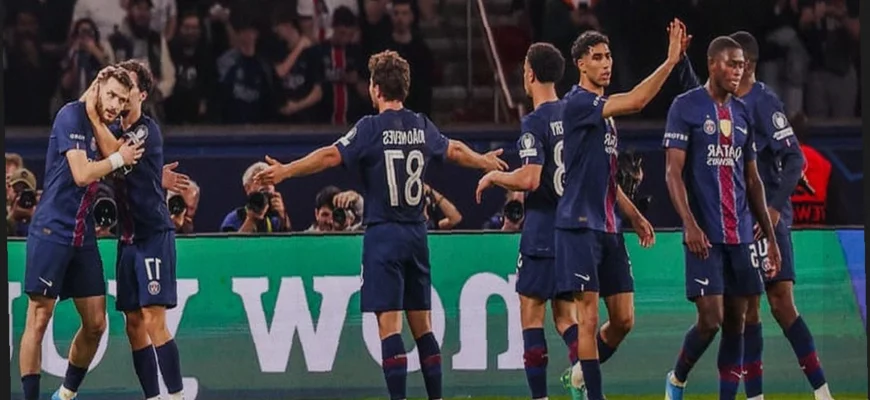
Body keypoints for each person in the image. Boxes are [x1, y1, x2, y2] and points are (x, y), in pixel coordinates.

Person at [255, 50, 507, 400]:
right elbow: (454, 150)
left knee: (390, 328)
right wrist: (483, 161)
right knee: (423, 327)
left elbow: (330, 155)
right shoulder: (420, 124)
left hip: (384, 234)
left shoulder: (370, 128)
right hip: (417, 233)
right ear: (405, 87)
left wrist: (286, 171)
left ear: (375, 88)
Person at [554, 22, 679, 399]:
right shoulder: (579, 102)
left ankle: (578, 374)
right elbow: (637, 101)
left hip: (608, 226)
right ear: (580, 64)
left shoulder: (605, 117)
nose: (606, 63)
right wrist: (670, 62)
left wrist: (634, 216)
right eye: (597, 58)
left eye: (608, 56)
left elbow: (606, 178)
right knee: (589, 318)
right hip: (578, 225)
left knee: (623, 319)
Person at [661, 36, 782, 400]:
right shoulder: (685, 107)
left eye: (742, 65)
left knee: (736, 322)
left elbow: (753, 180)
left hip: (741, 235)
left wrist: (771, 238)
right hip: (705, 235)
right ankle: (677, 377)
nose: (738, 71)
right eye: (731, 64)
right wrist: (689, 223)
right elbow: (672, 172)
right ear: (712, 63)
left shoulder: (743, 113)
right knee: (711, 320)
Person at [19, 69, 142, 400]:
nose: (115, 105)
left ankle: (64, 396)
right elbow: (82, 173)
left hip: (82, 234)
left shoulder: (105, 126)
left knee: (96, 324)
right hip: (51, 229)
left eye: (122, 99)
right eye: (111, 95)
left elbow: (122, 161)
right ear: (98, 87)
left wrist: (118, 153)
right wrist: (117, 158)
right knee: (39, 318)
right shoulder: (70, 115)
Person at [728, 31, 835, 400]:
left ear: (747, 64)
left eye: (733, 61)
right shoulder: (723, 103)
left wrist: (773, 210)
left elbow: (795, 159)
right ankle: (755, 397)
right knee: (748, 309)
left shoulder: (764, 102)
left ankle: (822, 392)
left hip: (768, 220)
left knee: (782, 303)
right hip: (737, 220)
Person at [474, 42, 578, 400]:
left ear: (530, 74)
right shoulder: (574, 115)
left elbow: (531, 178)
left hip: (543, 229)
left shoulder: (535, 121)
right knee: (566, 318)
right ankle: (587, 381)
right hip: (573, 229)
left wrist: (495, 177)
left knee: (531, 316)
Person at [85, 61, 187, 400]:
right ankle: (153, 397)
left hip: (152, 234)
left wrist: (93, 116)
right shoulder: (118, 130)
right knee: (133, 324)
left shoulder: (146, 131)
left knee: (154, 319)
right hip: (127, 238)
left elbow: (115, 155)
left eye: (127, 86)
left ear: (141, 94)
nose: (121, 94)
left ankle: (177, 397)